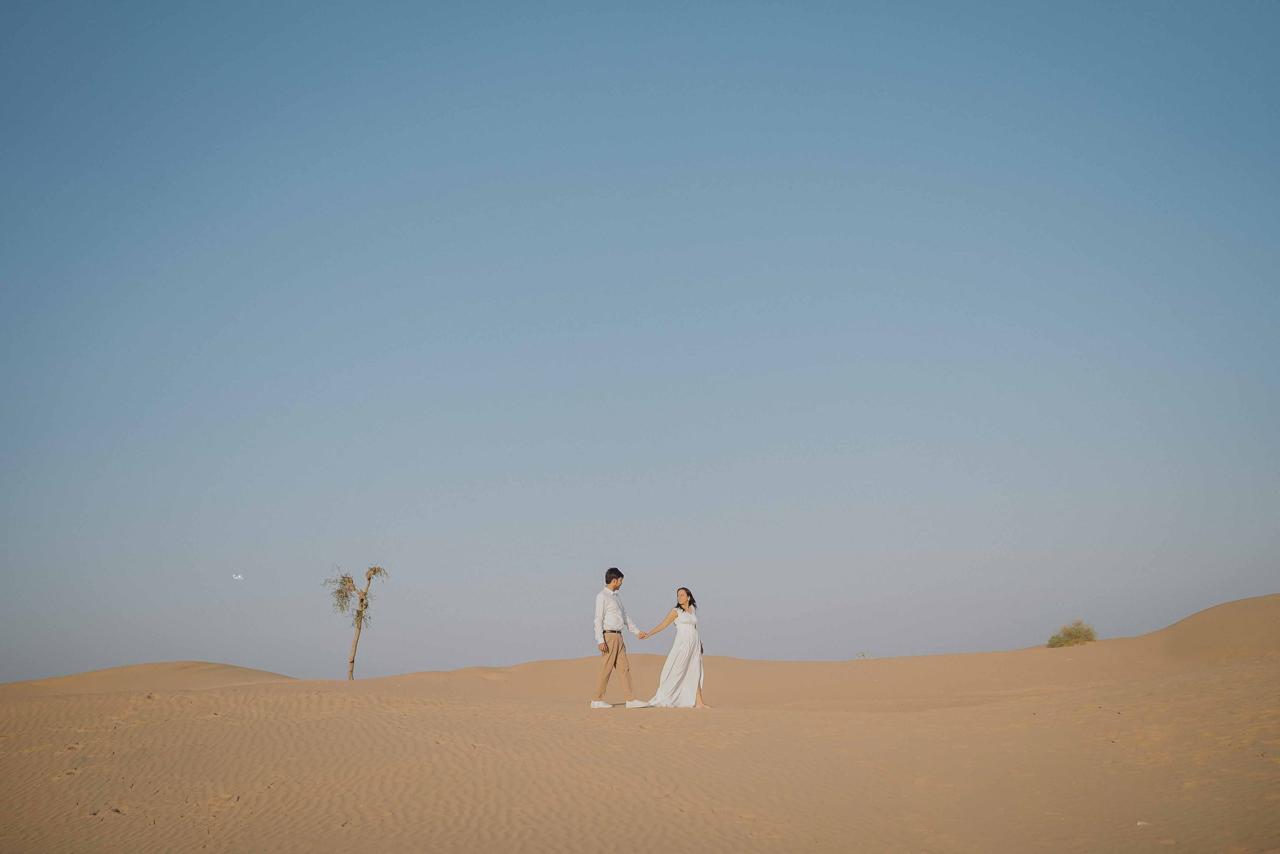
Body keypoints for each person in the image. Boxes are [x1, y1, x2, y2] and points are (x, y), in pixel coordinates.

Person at [640, 587, 710, 709]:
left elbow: (694, 628)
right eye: (678, 595)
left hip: (694, 644)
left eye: (682, 595)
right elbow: (663, 624)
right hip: (682, 644)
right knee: (677, 671)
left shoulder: (692, 609)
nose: (679, 597)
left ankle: (699, 702)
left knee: (695, 670)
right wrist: (649, 633)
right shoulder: (676, 611)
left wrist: (700, 643)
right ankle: (664, 696)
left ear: (688, 597)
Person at [590, 568, 647, 709]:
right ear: (614, 580)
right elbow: (598, 619)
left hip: (619, 636)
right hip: (608, 636)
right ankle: (596, 700)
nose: (622, 583)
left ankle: (630, 699)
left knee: (624, 668)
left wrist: (637, 632)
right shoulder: (601, 596)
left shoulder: (616, 597)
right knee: (606, 668)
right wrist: (600, 640)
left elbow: (625, 616)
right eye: (621, 580)